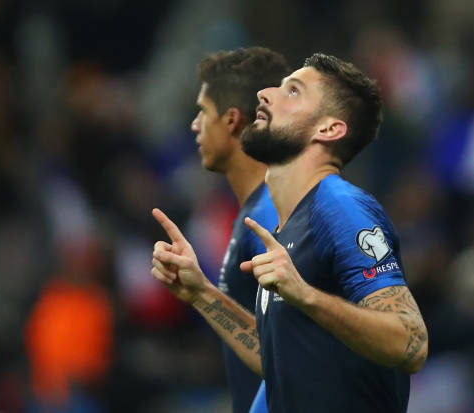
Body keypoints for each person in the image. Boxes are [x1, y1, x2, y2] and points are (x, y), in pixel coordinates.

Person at [151, 53, 428, 413]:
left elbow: (412, 340)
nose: (265, 94)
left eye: (292, 92)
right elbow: (279, 362)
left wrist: (306, 295)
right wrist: (201, 294)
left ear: (328, 129)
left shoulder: (338, 205)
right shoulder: (289, 225)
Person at [187, 47, 288, 413]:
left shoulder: (271, 215)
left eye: (203, 112)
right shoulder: (256, 210)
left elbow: (298, 359)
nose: (195, 125)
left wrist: (202, 295)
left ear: (231, 120)